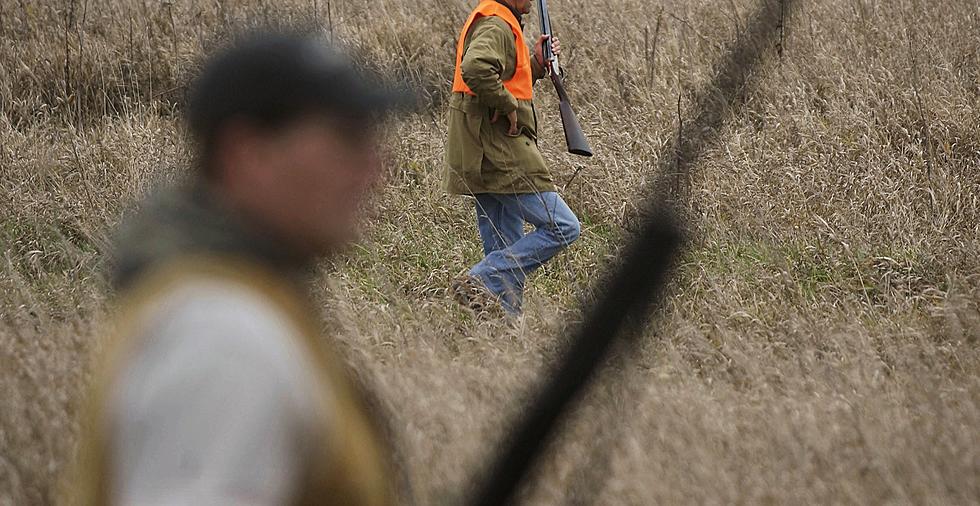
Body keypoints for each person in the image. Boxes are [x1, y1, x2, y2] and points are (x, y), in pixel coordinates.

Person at [65, 33, 407, 506]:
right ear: (248, 154)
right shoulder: (220, 335)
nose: (375, 169)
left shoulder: (234, 300)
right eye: (346, 138)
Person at [445, 0, 582, 316]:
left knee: (505, 250)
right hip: (499, 152)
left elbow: (504, 78)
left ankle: (504, 334)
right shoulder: (496, 23)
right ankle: (480, 279)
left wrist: (536, 63)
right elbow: (476, 67)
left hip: (481, 152)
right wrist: (507, 106)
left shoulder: (500, 19)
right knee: (563, 227)